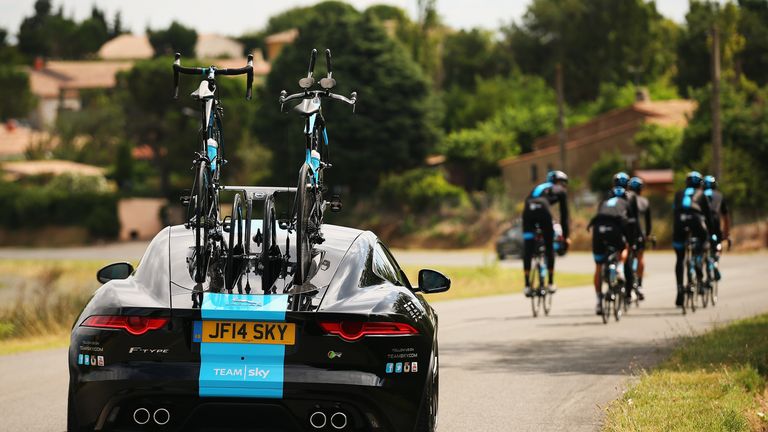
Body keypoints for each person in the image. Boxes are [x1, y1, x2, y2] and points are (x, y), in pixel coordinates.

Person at [522, 170, 570, 297]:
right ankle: (550, 283)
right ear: (559, 183)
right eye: (563, 183)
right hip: (543, 208)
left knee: (528, 248)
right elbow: (564, 217)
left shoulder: (539, 187)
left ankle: (527, 285)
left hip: (528, 208)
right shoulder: (560, 190)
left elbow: (531, 200)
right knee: (549, 246)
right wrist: (566, 237)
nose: (564, 186)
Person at [672, 171, 714, 306]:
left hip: (679, 222)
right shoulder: (702, 194)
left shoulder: (679, 194)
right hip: (696, 221)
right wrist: (710, 236)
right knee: (702, 244)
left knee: (680, 258)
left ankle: (680, 290)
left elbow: (674, 211)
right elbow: (708, 218)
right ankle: (699, 272)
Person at [589, 186, 632, 315]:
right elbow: (630, 222)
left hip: (598, 229)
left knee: (598, 266)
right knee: (625, 247)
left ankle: (598, 301)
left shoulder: (604, 203)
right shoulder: (625, 203)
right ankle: (619, 268)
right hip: (614, 228)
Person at [612, 172, 642, 300]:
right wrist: (635, 240)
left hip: (608, 228)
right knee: (627, 257)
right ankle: (629, 293)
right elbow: (634, 219)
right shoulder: (631, 196)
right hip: (625, 229)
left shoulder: (609, 194)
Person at [628, 177, 652, 300]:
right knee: (640, 257)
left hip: (627, 232)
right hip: (639, 234)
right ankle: (640, 285)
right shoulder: (644, 201)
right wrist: (647, 235)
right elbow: (648, 222)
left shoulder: (626, 198)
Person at [704, 175, 730, 280]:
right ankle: (715, 262)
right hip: (715, 222)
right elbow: (726, 217)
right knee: (718, 243)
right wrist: (726, 233)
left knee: (702, 243)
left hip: (702, 221)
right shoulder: (719, 195)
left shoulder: (699, 194)